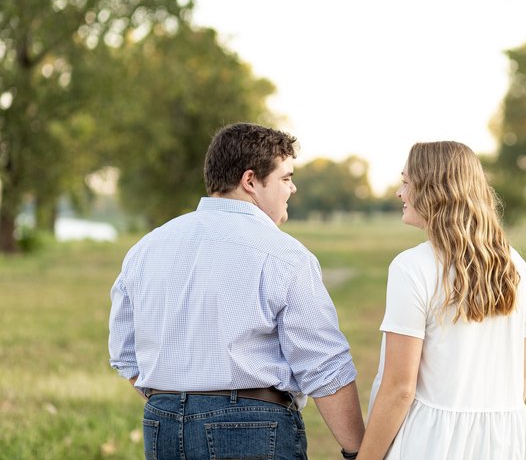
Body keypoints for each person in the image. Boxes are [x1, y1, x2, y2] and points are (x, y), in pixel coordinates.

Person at [108, 122, 364, 460]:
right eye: (285, 178)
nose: (293, 188)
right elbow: (324, 367)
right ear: (250, 181)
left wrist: (183, 401)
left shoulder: (147, 248)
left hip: (163, 423)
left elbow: (125, 356)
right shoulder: (285, 255)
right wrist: (359, 450)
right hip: (252, 427)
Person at [357, 141, 526, 460]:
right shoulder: (518, 267)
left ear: (433, 190)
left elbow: (400, 389)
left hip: (427, 443)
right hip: (502, 443)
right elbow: (524, 376)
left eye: (406, 182)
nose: (400, 193)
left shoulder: (411, 268)